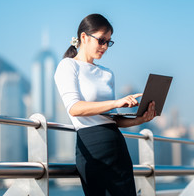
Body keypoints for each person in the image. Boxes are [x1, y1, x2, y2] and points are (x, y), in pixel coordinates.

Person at [54, 13, 156, 196]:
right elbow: (74, 108)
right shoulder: (68, 66)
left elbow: (112, 119)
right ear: (84, 37)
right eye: (101, 40)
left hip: (117, 145)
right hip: (92, 147)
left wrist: (140, 119)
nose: (105, 47)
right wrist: (116, 102)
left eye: (108, 42)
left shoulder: (107, 73)